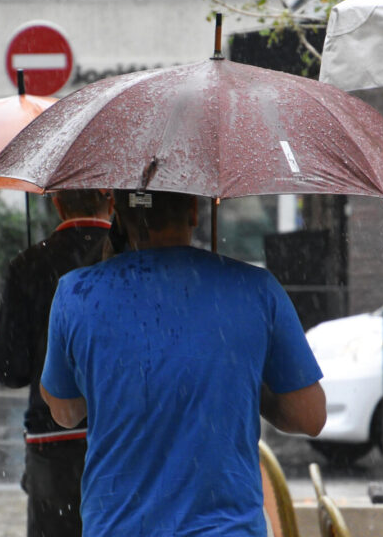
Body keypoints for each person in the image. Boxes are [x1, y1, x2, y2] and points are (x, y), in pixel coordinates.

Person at [40, 190, 326, 537]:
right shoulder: (256, 289)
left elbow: (64, 412)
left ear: (116, 211)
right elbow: (309, 416)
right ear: (194, 210)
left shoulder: (76, 294)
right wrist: (240, 376)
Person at [0, 189, 113, 537]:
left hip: (51, 442)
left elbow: (10, 370)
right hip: (122, 435)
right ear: (112, 200)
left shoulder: (28, 264)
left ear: (56, 202)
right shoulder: (129, 258)